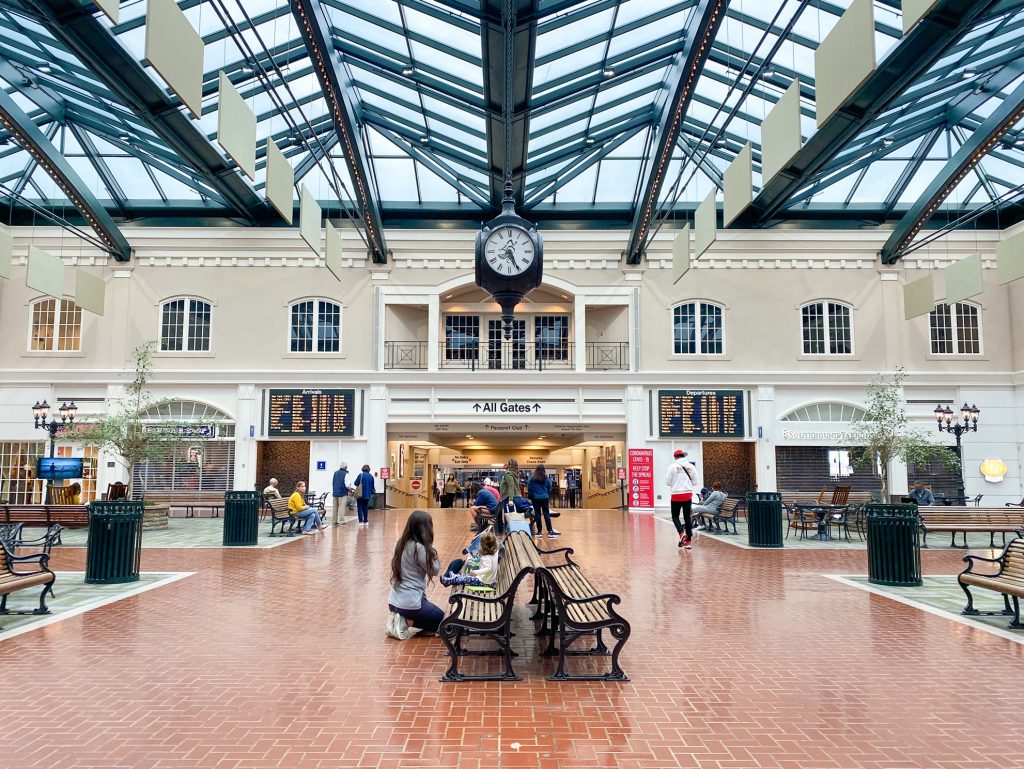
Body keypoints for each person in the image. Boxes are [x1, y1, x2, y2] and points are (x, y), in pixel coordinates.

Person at [386, 510, 443, 640]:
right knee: (445, 621)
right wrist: (432, 552)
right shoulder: (419, 548)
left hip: (394, 601)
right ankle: (405, 622)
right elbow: (434, 570)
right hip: (410, 603)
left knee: (437, 621)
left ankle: (403, 618)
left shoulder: (399, 544)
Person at [665, 449, 697, 549]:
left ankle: (681, 532)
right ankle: (688, 542)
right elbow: (695, 482)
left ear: (675, 457)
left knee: (675, 516)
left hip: (676, 496)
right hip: (687, 495)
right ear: (684, 456)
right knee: (687, 517)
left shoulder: (672, 467)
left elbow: (668, 482)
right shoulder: (691, 467)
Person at [527, 464, 560, 539]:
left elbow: (529, 487)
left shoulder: (532, 478)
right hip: (545, 498)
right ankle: (550, 531)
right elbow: (549, 487)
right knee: (546, 514)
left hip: (535, 498)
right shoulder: (546, 478)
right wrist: (545, 493)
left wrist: (533, 494)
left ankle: (539, 532)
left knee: (537, 514)